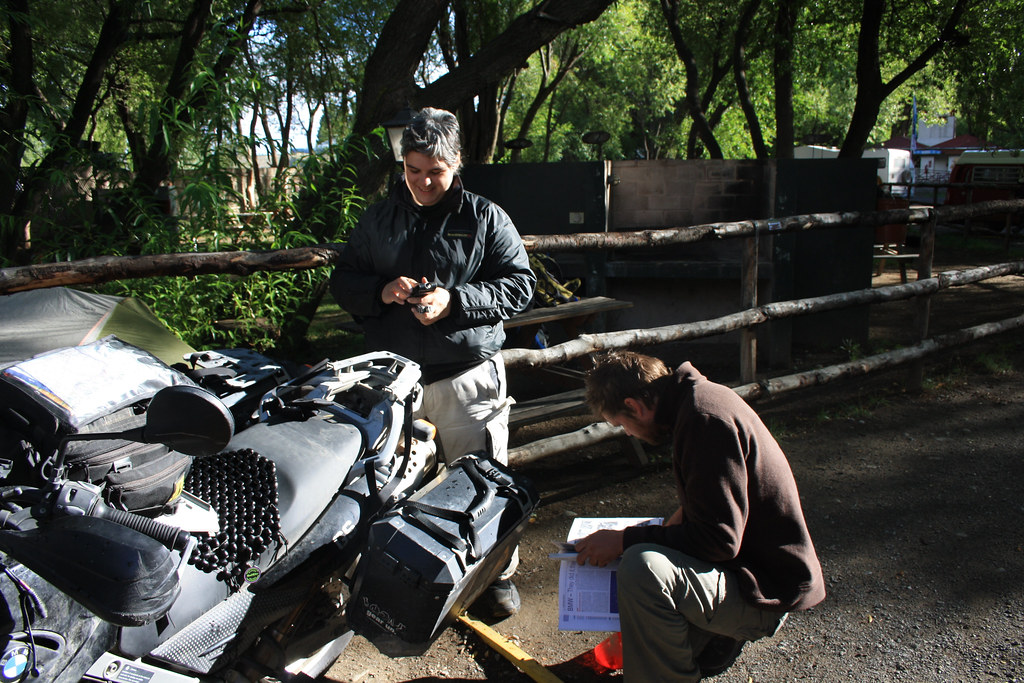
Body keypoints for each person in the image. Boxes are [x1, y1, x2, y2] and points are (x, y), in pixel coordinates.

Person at [329, 107, 536, 619]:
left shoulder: (485, 217)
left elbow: (520, 285)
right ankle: (408, 579)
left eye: (435, 172)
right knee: (393, 487)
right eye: (413, 170)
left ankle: (495, 578)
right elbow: (343, 282)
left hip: (467, 381)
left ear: (456, 164)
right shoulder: (377, 219)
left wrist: (456, 302)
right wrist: (381, 290)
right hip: (393, 383)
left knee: (483, 484)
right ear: (403, 165)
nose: (424, 182)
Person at [575, 351, 825, 680]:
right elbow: (713, 501)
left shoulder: (704, 419)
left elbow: (719, 540)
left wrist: (626, 539)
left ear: (634, 406)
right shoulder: (697, 402)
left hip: (766, 591)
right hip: (752, 571)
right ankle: (706, 644)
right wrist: (662, 531)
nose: (629, 434)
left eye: (622, 424)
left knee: (642, 569)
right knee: (658, 549)